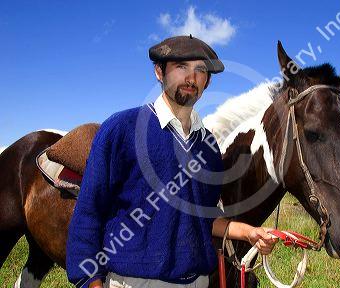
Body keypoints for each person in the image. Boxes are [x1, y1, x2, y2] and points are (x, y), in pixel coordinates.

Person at [66, 35, 277, 288]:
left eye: (200, 70)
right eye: (181, 67)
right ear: (159, 72)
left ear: (207, 81)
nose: (191, 78)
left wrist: (249, 233)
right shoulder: (122, 129)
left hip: (198, 282)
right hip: (134, 282)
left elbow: (204, 218)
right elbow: (89, 213)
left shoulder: (208, 148)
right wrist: (91, 281)